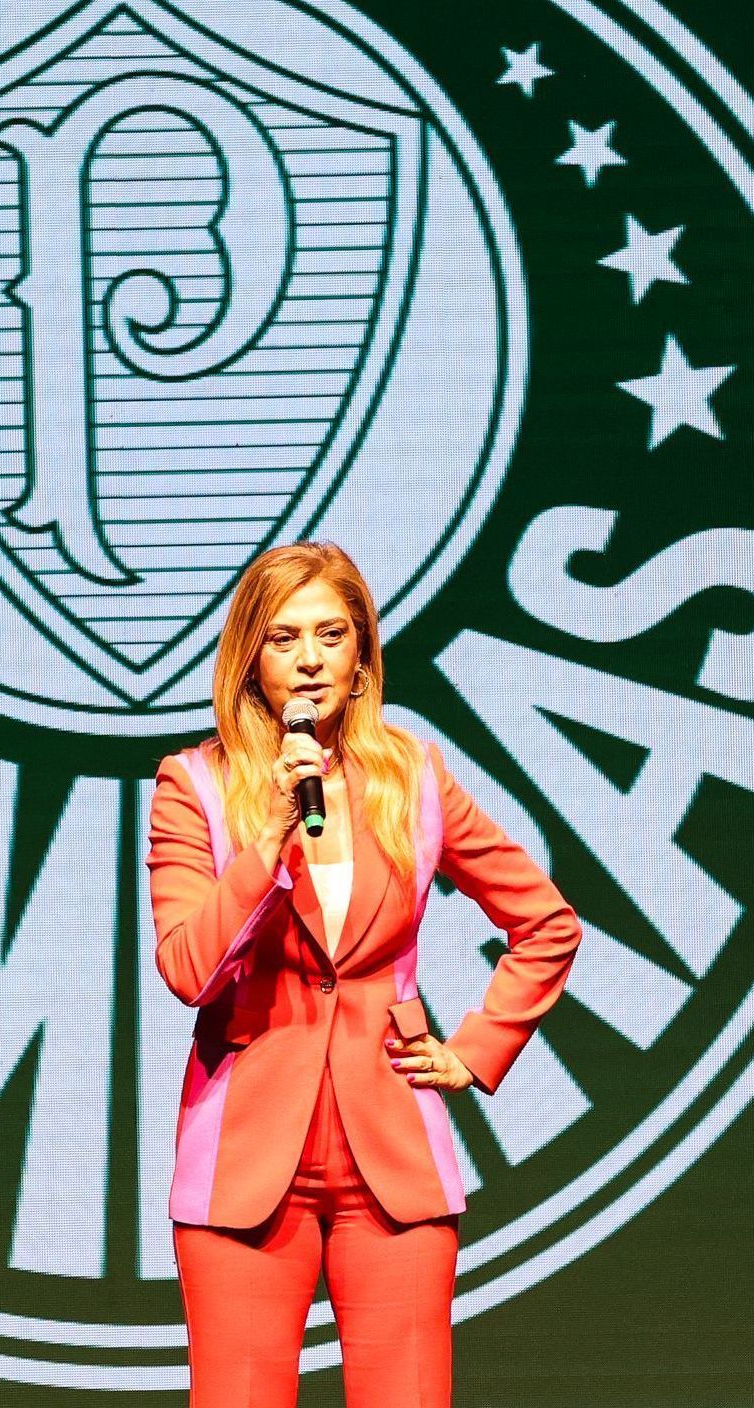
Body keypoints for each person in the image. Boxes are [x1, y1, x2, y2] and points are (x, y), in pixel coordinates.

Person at [146, 541, 583, 1408]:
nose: (309, 658)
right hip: (245, 1155)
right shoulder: (193, 787)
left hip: (392, 1153)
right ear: (249, 660)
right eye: (283, 638)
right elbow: (189, 968)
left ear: (361, 654)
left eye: (331, 634)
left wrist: (475, 1050)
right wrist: (269, 835)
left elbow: (546, 922)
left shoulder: (413, 778)